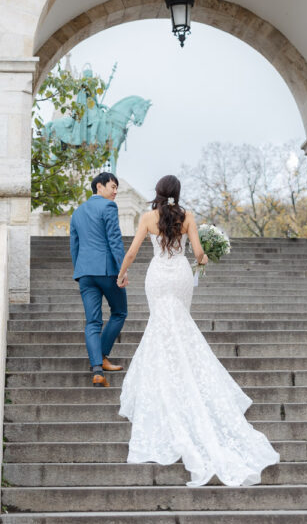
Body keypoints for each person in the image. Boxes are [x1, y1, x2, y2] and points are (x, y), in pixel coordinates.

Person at [117, 174, 280, 487]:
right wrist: (207, 255)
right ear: (177, 194)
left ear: (157, 192)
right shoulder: (187, 216)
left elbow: (134, 251)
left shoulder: (148, 217)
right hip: (178, 275)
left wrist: (122, 275)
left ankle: (168, 375)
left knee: (162, 325)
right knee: (180, 324)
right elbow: (198, 253)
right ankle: (186, 371)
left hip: (157, 277)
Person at [70, 171, 129, 388]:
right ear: (99, 187)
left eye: (116, 188)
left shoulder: (77, 213)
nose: (115, 192)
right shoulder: (108, 207)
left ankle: (97, 368)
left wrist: (80, 270)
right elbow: (115, 240)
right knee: (120, 312)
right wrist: (122, 271)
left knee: (92, 321)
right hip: (107, 271)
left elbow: (74, 246)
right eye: (112, 186)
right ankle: (102, 356)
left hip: (85, 273)